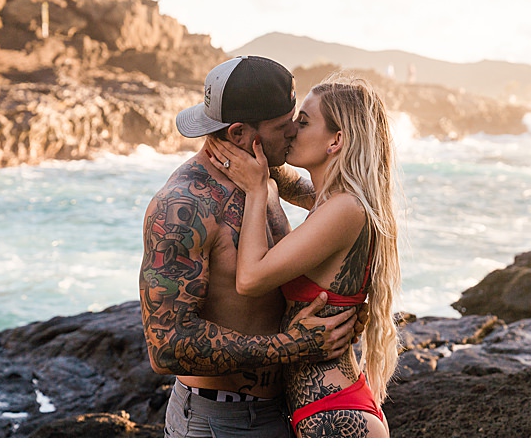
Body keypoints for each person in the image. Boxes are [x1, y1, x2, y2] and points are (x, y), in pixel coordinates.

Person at [140, 55, 362, 438]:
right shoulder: (184, 207)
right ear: (240, 133)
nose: (294, 130)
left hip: (281, 407)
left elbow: (331, 201)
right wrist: (293, 346)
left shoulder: (265, 171)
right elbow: (166, 345)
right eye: (282, 126)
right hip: (217, 422)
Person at [204, 76, 399, 438]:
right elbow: (292, 184)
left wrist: (255, 189)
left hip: (334, 416)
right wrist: (250, 145)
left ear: (336, 140)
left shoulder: (344, 209)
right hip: (326, 409)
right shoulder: (335, 201)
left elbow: (249, 278)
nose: (292, 129)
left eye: (304, 121)